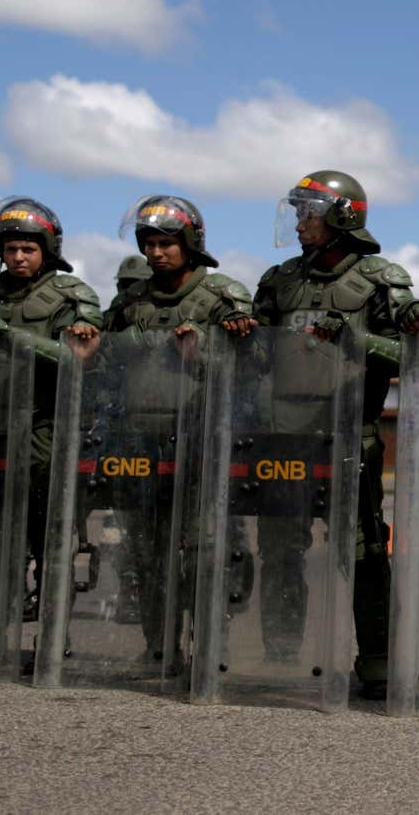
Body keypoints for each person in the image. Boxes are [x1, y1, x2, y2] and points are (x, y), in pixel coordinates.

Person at [255, 170, 419, 699]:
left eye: (310, 213)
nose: (301, 223)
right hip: (285, 436)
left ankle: (376, 659)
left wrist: (355, 339)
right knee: (279, 546)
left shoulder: (381, 280)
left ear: (342, 217)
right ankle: (280, 656)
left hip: (352, 434)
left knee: (361, 548)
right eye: (299, 212)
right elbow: (253, 353)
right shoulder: (279, 280)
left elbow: (418, 355)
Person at [99, 195, 254, 653]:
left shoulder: (223, 295)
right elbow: (104, 358)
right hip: (140, 440)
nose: (156, 253)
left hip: (201, 437)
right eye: (149, 243)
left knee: (202, 550)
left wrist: (204, 352)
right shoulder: (132, 298)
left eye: (166, 243)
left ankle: (210, 648)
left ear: (190, 243)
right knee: (148, 553)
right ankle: (158, 646)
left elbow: (255, 364)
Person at [0, 197, 101, 644]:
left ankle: (53, 642)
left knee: (52, 540)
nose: (17, 257)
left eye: (28, 249)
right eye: (10, 248)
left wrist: (12, 337)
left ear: (47, 250)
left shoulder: (73, 295)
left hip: (47, 427)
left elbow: (80, 357)